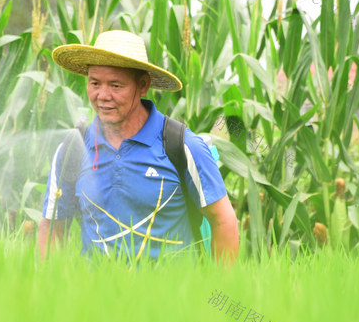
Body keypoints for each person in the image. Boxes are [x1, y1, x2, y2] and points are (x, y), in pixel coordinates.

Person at [37, 30, 239, 265]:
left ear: (142, 85)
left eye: (116, 85)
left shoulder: (181, 146)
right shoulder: (73, 148)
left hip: (173, 298)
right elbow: (52, 225)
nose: (103, 95)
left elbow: (224, 220)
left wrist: (219, 289)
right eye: (94, 83)